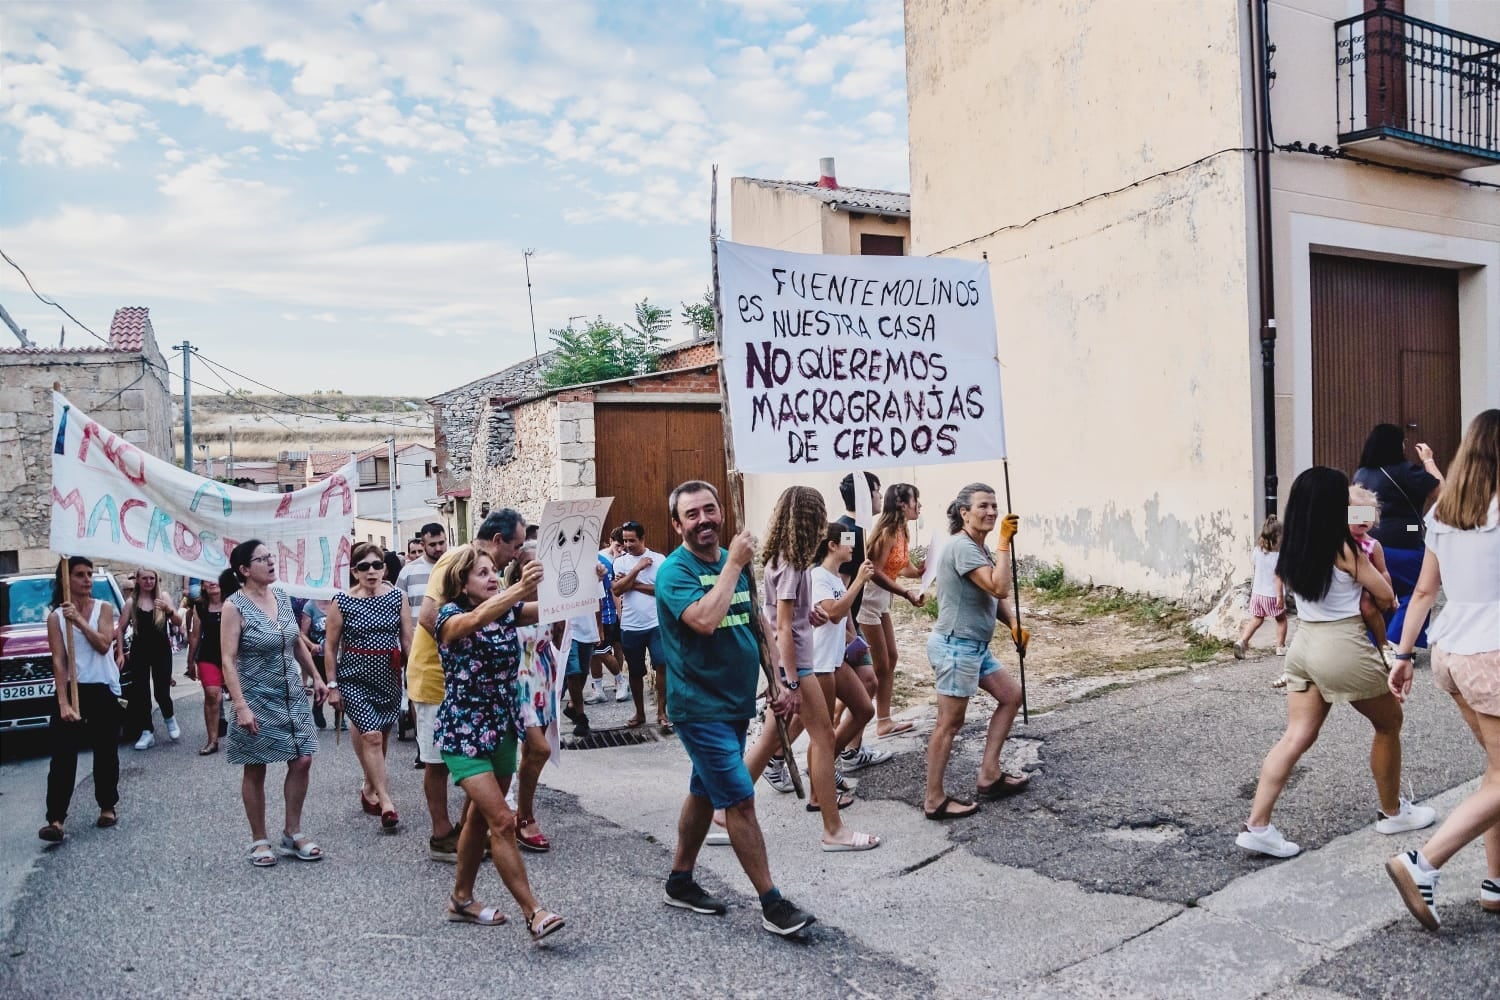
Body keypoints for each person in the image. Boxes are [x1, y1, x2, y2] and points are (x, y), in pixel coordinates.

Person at [1236, 467, 1434, 859]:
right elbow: (1383, 591)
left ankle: (1257, 825)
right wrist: (1382, 593)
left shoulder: (1292, 544)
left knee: (1296, 736)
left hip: (1305, 642)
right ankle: (1392, 812)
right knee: (1389, 722)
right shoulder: (1343, 547)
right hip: (1341, 643)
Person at [656, 479, 817, 936]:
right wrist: (738, 563)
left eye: (710, 509)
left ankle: (680, 880)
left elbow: (759, 623)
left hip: (735, 705)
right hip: (698, 708)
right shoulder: (675, 573)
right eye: (692, 514)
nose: (704, 519)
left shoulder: (731, 561)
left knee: (704, 791)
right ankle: (773, 904)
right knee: (740, 801)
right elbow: (705, 621)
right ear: (677, 524)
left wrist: (781, 680)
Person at [1383, 409, 1500, 930]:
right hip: (1492, 656)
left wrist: (1404, 655)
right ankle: (1422, 864)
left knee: (1498, 773)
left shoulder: (1443, 516)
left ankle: (1496, 882)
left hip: (1452, 655)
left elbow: (1425, 592)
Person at [434, 543, 564, 940]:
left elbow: (554, 607)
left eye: (494, 571)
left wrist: (576, 581)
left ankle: (460, 899)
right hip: (463, 733)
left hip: (502, 729)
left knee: (477, 819)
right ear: (462, 583)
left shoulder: (507, 610)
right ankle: (535, 912)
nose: (493, 577)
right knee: (503, 821)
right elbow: (474, 621)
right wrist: (517, 590)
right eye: (483, 573)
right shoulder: (448, 616)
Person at [743, 487, 880, 850]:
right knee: (823, 740)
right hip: (800, 667)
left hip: (795, 666)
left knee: (771, 740)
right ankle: (833, 830)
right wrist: (789, 680)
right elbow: (783, 627)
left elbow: (786, 616)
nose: (825, 523)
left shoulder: (785, 560)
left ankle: (725, 811)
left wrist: (811, 614)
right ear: (810, 518)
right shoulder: (792, 564)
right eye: (820, 514)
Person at [414, 508, 531, 863]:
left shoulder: (494, 587)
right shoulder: (457, 560)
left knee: (481, 789)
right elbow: (429, 617)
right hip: (441, 677)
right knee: (437, 762)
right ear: (498, 541)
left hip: (488, 701)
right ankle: (441, 835)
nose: (517, 555)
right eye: (516, 546)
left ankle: (468, 842)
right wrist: (461, 649)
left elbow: (533, 609)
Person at [922, 484, 1030, 820]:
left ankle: (989, 775)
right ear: (964, 512)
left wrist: (1012, 621)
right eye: (983, 506)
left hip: (974, 647)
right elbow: (998, 585)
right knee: (949, 723)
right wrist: (1004, 544)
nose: (992, 512)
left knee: (1011, 695)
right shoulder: (963, 547)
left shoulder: (976, 547)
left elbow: (993, 596)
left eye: (995, 505)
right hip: (956, 647)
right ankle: (933, 800)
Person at [219, 540, 328, 867]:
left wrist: (317, 677)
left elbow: (295, 642)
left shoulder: (281, 597)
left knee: (303, 760)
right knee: (256, 767)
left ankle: (292, 832)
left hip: (291, 693)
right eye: (262, 558)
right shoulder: (233, 606)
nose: (270, 562)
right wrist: (240, 705)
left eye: (270, 556)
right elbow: (227, 659)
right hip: (255, 696)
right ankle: (259, 840)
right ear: (244, 570)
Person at [326, 541, 413, 831]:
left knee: (382, 736)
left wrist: (414, 674)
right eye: (364, 567)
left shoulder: (397, 597)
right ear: (354, 571)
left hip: (388, 676)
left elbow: (407, 638)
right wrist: (333, 685)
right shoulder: (342, 601)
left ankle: (369, 787)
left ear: (384, 568)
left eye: (377, 565)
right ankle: (386, 802)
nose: (371, 571)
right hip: (354, 678)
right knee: (373, 736)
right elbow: (330, 646)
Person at [38, 556, 121, 842]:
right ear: (66, 579)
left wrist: (80, 621)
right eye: (79, 574)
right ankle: (56, 819)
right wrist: (62, 702)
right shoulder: (55, 618)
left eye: (89, 574)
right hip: (73, 689)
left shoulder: (104, 608)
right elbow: (59, 661)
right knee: (62, 756)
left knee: (105, 751)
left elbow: (102, 645)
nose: (87, 579)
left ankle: (107, 805)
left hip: (101, 688)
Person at [1353, 423, 1444, 649]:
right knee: (1415, 592)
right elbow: (1443, 492)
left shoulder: (1361, 474)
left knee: (1380, 595)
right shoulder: (1405, 470)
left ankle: (1378, 643)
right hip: (1406, 538)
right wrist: (1429, 460)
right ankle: (1397, 642)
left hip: (1372, 542)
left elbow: (1357, 516)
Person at [812, 523, 883, 768]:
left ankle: (827, 763)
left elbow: (845, 617)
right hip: (820, 662)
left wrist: (855, 642)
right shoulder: (818, 576)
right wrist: (860, 581)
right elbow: (833, 612)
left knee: (864, 709)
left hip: (836, 658)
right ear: (832, 546)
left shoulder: (835, 578)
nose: (852, 546)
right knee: (822, 727)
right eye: (846, 541)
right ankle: (820, 776)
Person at [834, 473, 891, 773]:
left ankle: (849, 751)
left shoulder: (855, 529)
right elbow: (839, 585)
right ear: (866, 494)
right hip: (842, 628)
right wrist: (849, 634)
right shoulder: (848, 532)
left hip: (847, 625)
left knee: (866, 682)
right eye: (878, 490)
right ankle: (779, 757)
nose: (881, 496)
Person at [509, 541, 564, 851]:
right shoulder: (508, 601)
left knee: (531, 752)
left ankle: (519, 813)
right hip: (519, 682)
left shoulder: (552, 598)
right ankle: (524, 817)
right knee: (540, 750)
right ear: (518, 570)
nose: (539, 568)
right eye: (531, 563)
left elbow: (557, 637)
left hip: (543, 679)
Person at [860, 483, 926, 739]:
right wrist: (905, 593)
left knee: (891, 659)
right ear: (901, 504)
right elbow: (875, 572)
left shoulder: (902, 531)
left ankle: (884, 720)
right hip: (868, 601)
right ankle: (845, 713)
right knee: (879, 665)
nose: (919, 505)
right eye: (915, 500)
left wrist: (919, 572)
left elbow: (901, 565)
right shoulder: (886, 532)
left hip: (882, 602)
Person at [116, 567, 182, 749]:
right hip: (140, 651)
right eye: (144, 578)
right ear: (137, 580)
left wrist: (168, 610)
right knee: (140, 692)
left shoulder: (163, 598)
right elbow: (120, 629)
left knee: (162, 691)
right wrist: (121, 653)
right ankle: (147, 731)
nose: (148, 582)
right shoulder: (131, 603)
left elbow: (178, 622)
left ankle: (169, 718)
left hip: (161, 650)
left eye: (152, 578)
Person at [613, 520, 670, 732]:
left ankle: (662, 711)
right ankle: (640, 712)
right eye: (625, 540)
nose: (627, 544)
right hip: (630, 626)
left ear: (642, 539)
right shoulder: (620, 562)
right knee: (636, 672)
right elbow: (617, 590)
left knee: (662, 664)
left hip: (655, 624)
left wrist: (631, 584)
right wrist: (636, 569)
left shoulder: (658, 560)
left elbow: (661, 591)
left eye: (632, 540)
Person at [1235, 516, 1288, 667]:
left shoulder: (1257, 551)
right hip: (1272, 595)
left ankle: (1242, 641)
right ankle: (1280, 647)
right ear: (1276, 538)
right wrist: (1280, 597)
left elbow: (1255, 564)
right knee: (1282, 620)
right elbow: (1278, 578)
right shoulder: (1279, 556)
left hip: (1257, 595)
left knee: (1257, 619)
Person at [586, 528, 628, 704]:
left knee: (604, 651)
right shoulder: (590, 559)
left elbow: (611, 590)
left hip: (605, 614)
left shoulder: (601, 562)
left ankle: (620, 680)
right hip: (587, 614)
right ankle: (598, 688)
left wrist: (620, 615)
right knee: (594, 654)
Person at [1349, 483, 1393, 649]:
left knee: (1367, 605)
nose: (1361, 519)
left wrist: (1389, 592)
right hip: (1345, 588)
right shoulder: (1339, 542)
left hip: (1366, 589)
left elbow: (1383, 571)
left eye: (1366, 514)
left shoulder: (1373, 545)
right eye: (1355, 514)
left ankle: (1383, 643)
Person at [187, 578, 226, 755]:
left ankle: (251, 735)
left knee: (245, 695)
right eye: (206, 580)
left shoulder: (233, 603)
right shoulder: (200, 607)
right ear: (202, 585)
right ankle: (212, 740)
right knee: (212, 696)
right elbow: (195, 635)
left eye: (215, 579)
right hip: (208, 656)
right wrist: (190, 660)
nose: (211, 582)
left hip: (233, 656)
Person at [299, 598, 334, 729]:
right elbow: (302, 633)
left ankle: (339, 717)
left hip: (337, 652)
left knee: (340, 683)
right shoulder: (310, 605)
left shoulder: (338, 603)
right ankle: (317, 708)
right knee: (322, 682)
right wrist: (311, 645)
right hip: (319, 653)